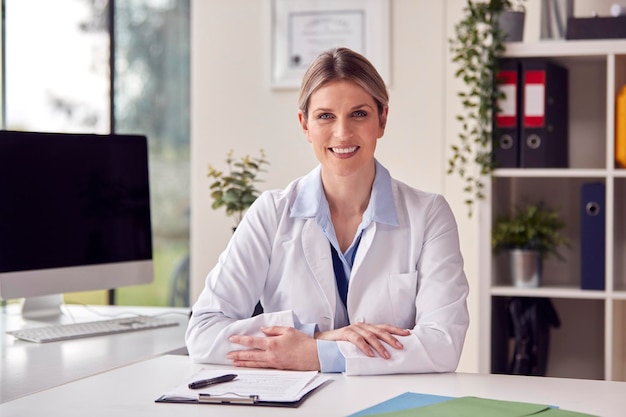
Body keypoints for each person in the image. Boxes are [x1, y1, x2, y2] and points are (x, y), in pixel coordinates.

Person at [186, 47, 469, 376]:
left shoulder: (429, 215)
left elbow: (443, 344)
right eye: (325, 116)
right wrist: (318, 337)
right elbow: (203, 332)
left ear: (383, 119)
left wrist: (319, 355)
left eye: (359, 114)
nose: (343, 133)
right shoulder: (271, 213)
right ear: (304, 124)